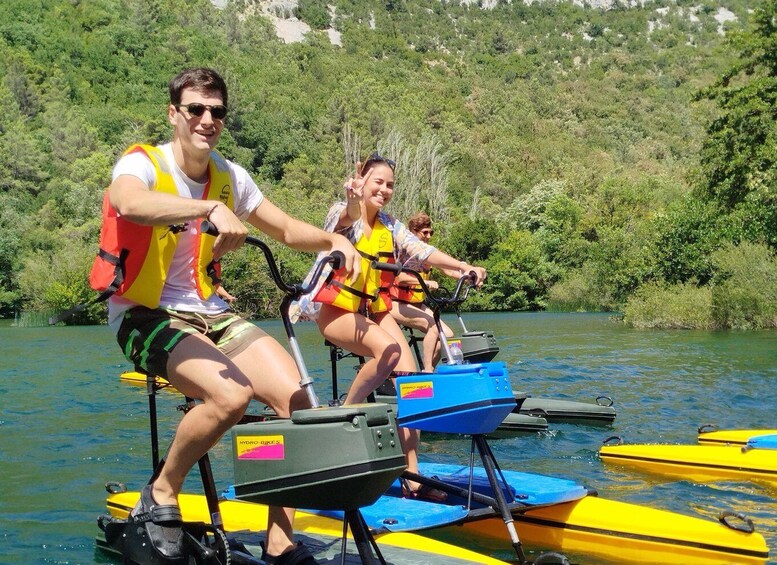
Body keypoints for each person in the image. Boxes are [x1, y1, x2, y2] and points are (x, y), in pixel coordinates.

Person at [91, 67, 359, 565]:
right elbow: (128, 202)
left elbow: (283, 228)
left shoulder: (231, 175)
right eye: (195, 109)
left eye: (217, 111)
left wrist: (335, 238)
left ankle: (279, 541)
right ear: (174, 114)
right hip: (144, 314)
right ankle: (163, 491)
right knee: (231, 395)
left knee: (300, 403)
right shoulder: (143, 163)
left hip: (210, 312)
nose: (207, 119)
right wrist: (204, 210)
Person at [292, 153, 486, 501]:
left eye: (390, 185)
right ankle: (345, 418)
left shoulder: (391, 225)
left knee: (416, 387)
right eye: (377, 182)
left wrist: (460, 266)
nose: (384, 189)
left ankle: (412, 476)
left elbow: (421, 250)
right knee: (389, 350)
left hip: (373, 309)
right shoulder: (342, 213)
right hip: (336, 310)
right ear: (361, 179)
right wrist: (353, 201)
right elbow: (344, 218)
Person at [389, 212, 461, 372]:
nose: (428, 236)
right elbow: (400, 278)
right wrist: (425, 282)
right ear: (413, 232)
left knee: (447, 335)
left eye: (431, 232)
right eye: (424, 233)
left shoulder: (428, 253)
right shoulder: (404, 254)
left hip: (416, 303)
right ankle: (427, 372)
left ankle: (428, 370)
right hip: (395, 303)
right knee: (434, 327)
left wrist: (466, 275)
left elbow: (449, 271)